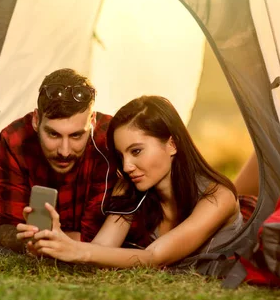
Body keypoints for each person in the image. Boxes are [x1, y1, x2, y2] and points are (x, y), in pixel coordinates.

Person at [17, 95, 243, 267]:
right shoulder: (131, 188)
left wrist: (76, 250)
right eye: (121, 155)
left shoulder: (218, 196)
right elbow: (101, 250)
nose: (126, 166)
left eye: (136, 151)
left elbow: (153, 257)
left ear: (172, 145)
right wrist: (53, 241)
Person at [0, 68, 116, 252]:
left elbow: (103, 236)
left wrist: (40, 239)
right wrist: (21, 239)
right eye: (53, 134)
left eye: (76, 135)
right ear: (36, 120)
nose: (64, 151)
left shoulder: (112, 139)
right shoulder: (14, 139)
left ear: (92, 121)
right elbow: (6, 225)